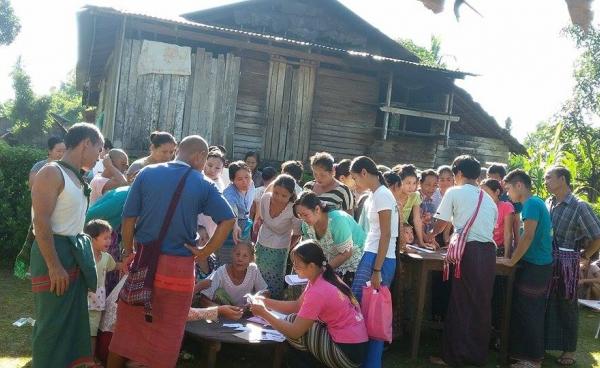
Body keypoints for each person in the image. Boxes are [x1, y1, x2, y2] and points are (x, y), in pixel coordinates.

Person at [107, 135, 236, 368]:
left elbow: (128, 217)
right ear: (199, 156)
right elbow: (228, 219)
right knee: (169, 332)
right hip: (179, 270)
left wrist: (129, 251)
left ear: (179, 151)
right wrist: (205, 251)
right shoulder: (204, 183)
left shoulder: (148, 173)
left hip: (144, 262)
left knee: (126, 330)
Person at [30, 123, 104, 368]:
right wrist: (53, 265)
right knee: (52, 325)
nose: (99, 156)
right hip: (54, 256)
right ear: (86, 143)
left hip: (72, 256)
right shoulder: (51, 172)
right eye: (99, 149)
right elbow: (40, 223)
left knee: (70, 325)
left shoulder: (78, 176)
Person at [424, 155, 497, 367]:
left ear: (458, 174)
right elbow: (490, 228)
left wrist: (430, 235)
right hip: (488, 253)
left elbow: (442, 222)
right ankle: (476, 355)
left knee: (460, 303)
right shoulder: (488, 199)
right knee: (481, 305)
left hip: (469, 252)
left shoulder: (454, 192)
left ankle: (453, 356)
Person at [250, 240, 368, 368]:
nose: (294, 268)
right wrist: (264, 301)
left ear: (311, 266)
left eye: (297, 264)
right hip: (355, 346)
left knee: (294, 326)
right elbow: (297, 306)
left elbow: (295, 332)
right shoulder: (324, 275)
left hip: (346, 354)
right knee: (294, 320)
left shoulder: (318, 291)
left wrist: (264, 313)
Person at [543, 166, 600, 366]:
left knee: (567, 304)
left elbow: (597, 236)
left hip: (568, 262)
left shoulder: (579, 206)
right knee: (546, 302)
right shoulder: (548, 202)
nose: (546, 181)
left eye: (549, 177)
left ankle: (569, 350)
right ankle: (544, 344)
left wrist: (585, 255)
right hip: (546, 259)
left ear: (563, 179)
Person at [498, 169, 553, 368]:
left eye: (509, 189)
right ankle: (525, 356)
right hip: (535, 264)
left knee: (530, 312)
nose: (508, 194)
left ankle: (533, 360)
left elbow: (527, 236)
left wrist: (512, 261)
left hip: (537, 265)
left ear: (519, 186)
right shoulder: (533, 203)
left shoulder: (531, 204)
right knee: (526, 310)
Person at [349, 156, 398, 368]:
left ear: (363, 173)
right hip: (374, 255)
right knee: (363, 311)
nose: (355, 183)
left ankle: (370, 363)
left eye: (354, 178)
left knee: (372, 313)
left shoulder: (383, 195)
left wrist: (376, 269)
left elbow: (386, 234)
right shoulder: (376, 194)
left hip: (379, 258)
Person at [294, 191, 365, 285]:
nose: (303, 219)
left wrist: (321, 271)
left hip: (354, 265)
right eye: (300, 215)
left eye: (305, 215)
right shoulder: (306, 225)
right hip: (329, 265)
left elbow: (346, 253)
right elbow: (309, 250)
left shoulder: (338, 220)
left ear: (317, 209)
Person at [84, 220, 126, 364]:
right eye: (105, 237)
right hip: (82, 299)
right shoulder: (84, 257)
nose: (110, 241)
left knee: (93, 331)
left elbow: (117, 266)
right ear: (92, 239)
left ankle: (91, 359)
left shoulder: (107, 258)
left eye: (110, 237)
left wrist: (128, 264)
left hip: (97, 299)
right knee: (80, 328)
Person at [255, 175, 302, 298]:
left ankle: (273, 306)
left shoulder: (293, 209)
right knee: (258, 274)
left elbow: (297, 234)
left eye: (284, 196)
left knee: (273, 279)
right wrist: (258, 223)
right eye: (276, 193)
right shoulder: (265, 198)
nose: (278, 198)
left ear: (291, 195)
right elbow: (262, 218)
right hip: (261, 242)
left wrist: (286, 249)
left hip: (280, 249)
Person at [201, 241, 269, 307]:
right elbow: (203, 300)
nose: (240, 259)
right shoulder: (221, 272)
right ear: (232, 254)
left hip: (246, 313)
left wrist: (252, 303)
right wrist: (221, 310)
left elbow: (265, 292)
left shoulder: (253, 270)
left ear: (251, 259)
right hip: (224, 316)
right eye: (237, 254)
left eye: (245, 256)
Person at [220, 160, 255, 265]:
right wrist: (235, 226)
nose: (245, 182)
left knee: (244, 258)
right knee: (229, 259)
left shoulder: (251, 184)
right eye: (239, 179)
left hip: (245, 226)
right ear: (232, 180)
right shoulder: (229, 193)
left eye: (247, 177)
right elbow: (232, 211)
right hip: (231, 227)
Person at [385, 167, 430, 248]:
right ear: (399, 182)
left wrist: (421, 241)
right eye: (408, 183)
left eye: (414, 183)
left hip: (404, 231)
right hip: (390, 230)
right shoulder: (393, 195)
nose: (411, 187)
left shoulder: (415, 196)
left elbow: (417, 219)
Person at [198, 147, 228, 238]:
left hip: (211, 226)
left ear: (222, 170)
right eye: (209, 165)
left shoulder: (220, 185)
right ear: (204, 163)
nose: (212, 170)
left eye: (217, 168)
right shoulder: (197, 177)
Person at [481, 179, 514, 256]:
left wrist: (506, 256)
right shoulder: (480, 208)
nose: (482, 197)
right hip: (484, 248)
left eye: (486, 193)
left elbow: (508, 233)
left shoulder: (506, 207)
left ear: (497, 192)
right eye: (481, 194)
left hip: (501, 249)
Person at [419, 169, 441, 235]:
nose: (431, 188)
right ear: (420, 183)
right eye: (428, 185)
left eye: (435, 185)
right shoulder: (416, 198)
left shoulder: (431, 201)